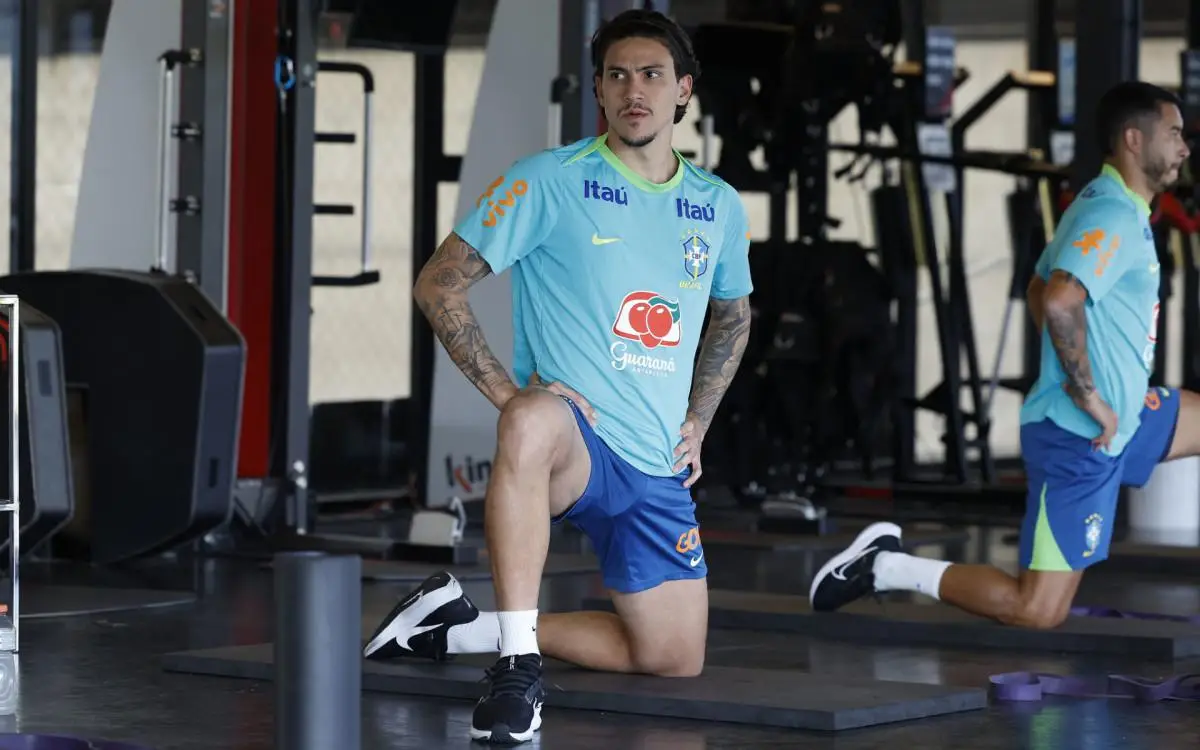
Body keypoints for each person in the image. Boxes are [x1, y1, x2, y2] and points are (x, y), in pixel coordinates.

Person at [363, 9, 753, 745]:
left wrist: (698, 416)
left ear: (683, 92)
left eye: (651, 75)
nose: (633, 90)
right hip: (579, 443)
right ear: (600, 94)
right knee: (533, 417)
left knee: (672, 658)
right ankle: (516, 667)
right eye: (617, 76)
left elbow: (733, 315)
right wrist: (514, 397)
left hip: (656, 461)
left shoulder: (717, 205)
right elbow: (439, 284)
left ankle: (459, 628)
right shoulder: (548, 179)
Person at [810, 81, 1196, 629]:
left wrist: (1092, 381)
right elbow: (1060, 301)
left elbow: (1042, 289)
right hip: (1084, 437)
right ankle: (886, 568)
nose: (1184, 147)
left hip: (1124, 419)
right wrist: (1088, 394)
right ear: (1135, 140)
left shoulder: (1111, 204)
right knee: (1036, 610)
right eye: (1175, 134)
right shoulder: (1110, 214)